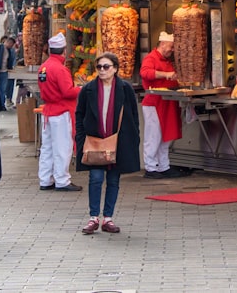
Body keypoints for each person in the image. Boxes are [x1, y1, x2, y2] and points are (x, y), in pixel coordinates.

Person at [75, 52, 141, 235]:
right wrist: (80, 138)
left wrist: (134, 138)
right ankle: (93, 217)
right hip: (94, 141)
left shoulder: (124, 88)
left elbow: (133, 116)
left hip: (118, 141)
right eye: (99, 67)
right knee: (95, 178)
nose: (102, 71)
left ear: (115, 69)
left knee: (113, 180)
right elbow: (79, 115)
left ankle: (108, 218)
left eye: (106, 67)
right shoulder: (88, 89)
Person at [37, 31, 82, 192]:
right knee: (63, 147)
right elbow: (67, 92)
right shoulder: (60, 69)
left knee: (47, 147)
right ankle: (62, 180)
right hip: (61, 112)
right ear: (64, 51)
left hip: (48, 112)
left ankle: (45, 179)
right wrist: (81, 89)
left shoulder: (43, 67)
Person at [139, 31, 184, 179]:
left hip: (167, 102)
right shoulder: (151, 58)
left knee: (166, 136)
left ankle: (163, 166)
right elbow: (145, 73)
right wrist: (165, 75)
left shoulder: (167, 61)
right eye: (171, 47)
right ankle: (151, 167)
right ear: (162, 44)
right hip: (154, 103)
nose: (172, 50)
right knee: (154, 136)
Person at [0, 36, 17, 109]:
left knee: (3, 89)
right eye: (11, 44)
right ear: (8, 42)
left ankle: (2, 104)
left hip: (4, 71)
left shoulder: (9, 51)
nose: (11, 46)